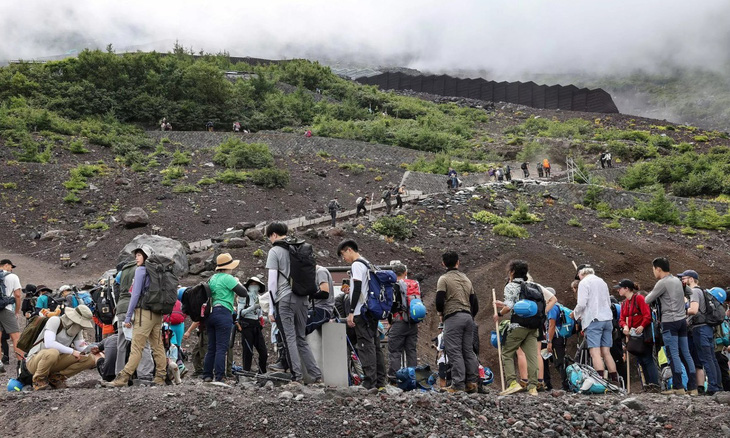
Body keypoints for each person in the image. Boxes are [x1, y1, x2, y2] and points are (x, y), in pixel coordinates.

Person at [267, 222, 322, 384]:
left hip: (285, 299)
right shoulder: (298, 248)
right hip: (303, 298)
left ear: (274, 235)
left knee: (289, 338)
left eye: (269, 237)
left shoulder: (275, 251)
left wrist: (271, 308)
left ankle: (296, 377)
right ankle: (316, 375)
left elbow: (271, 282)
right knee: (301, 338)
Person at [108, 245, 167, 387]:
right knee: (158, 346)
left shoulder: (141, 270)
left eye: (139, 255)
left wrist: (128, 317)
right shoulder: (158, 271)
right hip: (157, 314)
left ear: (146, 256)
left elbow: (135, 295)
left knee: (136, 347)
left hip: (144, 314)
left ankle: (123, 378)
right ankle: (160, 377)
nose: (136, 257)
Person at [645, 257, 697, 395]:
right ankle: (693, 388)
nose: (653, 273)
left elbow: (647, 299)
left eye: (653, 270)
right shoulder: (677, 281)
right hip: (682, 321)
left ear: (658, 269)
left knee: (673, 353)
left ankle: (678, 387)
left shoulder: (662, 283)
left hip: (669, 322)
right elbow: (690, 293)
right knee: (686, 353)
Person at [339, 239, 386, 389]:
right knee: (375, 345)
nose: (343, 259)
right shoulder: (367, 263)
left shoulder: (356, 264)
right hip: (372, 311)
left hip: (362, 312)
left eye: (343, 254)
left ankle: (369, 382)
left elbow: (358, 287)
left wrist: (351, 312)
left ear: (349, 250)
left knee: (366, 346)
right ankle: (380, 381)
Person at [494, 260, 544, 395]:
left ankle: (512, 382)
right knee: (532, 356)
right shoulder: (533, 285)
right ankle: (533, 387)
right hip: (533, 326)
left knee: (507, 352)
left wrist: (499, 314)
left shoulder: (511, 286)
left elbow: (510, 306)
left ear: (512, 272)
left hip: (518, 325)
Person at [26, 305, 99, 390]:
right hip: (35, 361)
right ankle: (39, 380)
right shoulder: (55, 320)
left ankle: (56, 378)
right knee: (53, 352)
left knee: (89, 359)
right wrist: (72, 351)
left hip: (55, 361)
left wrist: (93, 349)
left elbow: (81, 348)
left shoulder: (77, 329)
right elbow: (49, 343)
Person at [199, 253, 247, 383]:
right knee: (221, 347)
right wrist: (237, 282)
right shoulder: (228, 278)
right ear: (228, 267)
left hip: (211, 314)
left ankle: (207, 375)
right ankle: (220, 376)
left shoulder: (212, 278)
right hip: (223, 313)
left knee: (211, 347)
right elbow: (243, 292)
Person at [435, 251, 479, 393]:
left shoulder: (444, 279)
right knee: (468, 350)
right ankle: (472, 382)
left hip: (453, 317)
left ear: (443, 263)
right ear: (458, 262)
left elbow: (439, 300)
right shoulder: (466, 279)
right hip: (468, 318)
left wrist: (441, 314)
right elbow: (475, 302)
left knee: (454, 351)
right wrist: (469, 315)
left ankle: (458, 384)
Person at [571, 264, 620, 384]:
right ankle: (615, 380)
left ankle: (600, 380)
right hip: (607, 319)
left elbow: (582, 303)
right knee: (606, 352)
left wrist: (575, 314)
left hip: (593, 320)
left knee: (595, 352)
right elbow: (608, 302)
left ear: (580, 274)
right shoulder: (602, 281)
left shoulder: (584, 283)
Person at [680, 269, 723, 395]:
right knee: (712, 358)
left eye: (684, 278)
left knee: (706, 359)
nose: (682, 281)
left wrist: (680, 312)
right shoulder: (702, 291)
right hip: (707, 328)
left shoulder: (694, 291)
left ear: (691, 279)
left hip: (700, 329)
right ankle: (717, 385)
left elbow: (693, 310)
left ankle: (713, 388)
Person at [615, 279, 660, 390]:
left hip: (643, 334)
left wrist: (642, 326)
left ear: (626, 289)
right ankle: (648, 385)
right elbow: (621, 319)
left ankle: (654, 384)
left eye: (620, 288)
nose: (618, 291)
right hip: (634, 336)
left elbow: (647, 315)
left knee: (647, 359)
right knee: (640, 360)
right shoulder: (625, 303)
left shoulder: (639, 298)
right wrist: (624, 326)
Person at [387, 263, 420, 382]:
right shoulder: (414, 285)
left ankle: (395, 378)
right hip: (413, 322)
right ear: (405, 272)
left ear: (393, 273)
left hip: (399, 322)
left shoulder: (394, 286)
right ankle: (413, 378)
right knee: (411, 351)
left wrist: (390, 321)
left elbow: (392, 306)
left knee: (395, 351)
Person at [236, 277, 267, 373]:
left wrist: (262, 319)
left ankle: (262, 372)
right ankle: (246, 372)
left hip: (256, 326)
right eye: (252, 284)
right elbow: (240, 313)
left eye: (256, 285)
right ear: (248, 286)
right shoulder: (244, 297)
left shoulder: (258, 298)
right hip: (246, 326)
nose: (254, 286)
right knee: (247, 352)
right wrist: (252, 307)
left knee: (263, 351)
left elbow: (260, 313)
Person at [0, 259, 24, 367]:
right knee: (16, 337)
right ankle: (21, 364)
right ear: (6, 265)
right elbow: (18, 295)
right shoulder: (13, 277)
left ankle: (0, 364)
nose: (11, 269)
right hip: (6, 309)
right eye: (11, 267)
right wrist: (17, 311)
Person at [306, 266, 334, 335]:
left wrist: (309, 295)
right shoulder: (313, 274)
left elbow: (325, 293)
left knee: (302, 326)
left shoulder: (320, 272)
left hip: (322, 309)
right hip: (314, 308)